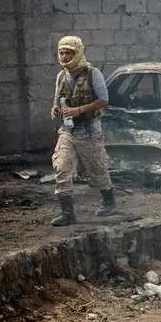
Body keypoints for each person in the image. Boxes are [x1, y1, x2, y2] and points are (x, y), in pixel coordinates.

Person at [49, 36, 115, 226]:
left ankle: (109, 202)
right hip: (68, 131)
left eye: (68, 53)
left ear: (77, 53)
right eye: (61, 52)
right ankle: (68, 213)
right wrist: (55, 109)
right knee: (61, 167)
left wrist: (78, 110)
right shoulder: (61, 76)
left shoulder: (93, 74)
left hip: (90, 131)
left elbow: (103, 100)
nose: (64, 57)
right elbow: (57, 99)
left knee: (98, 169)